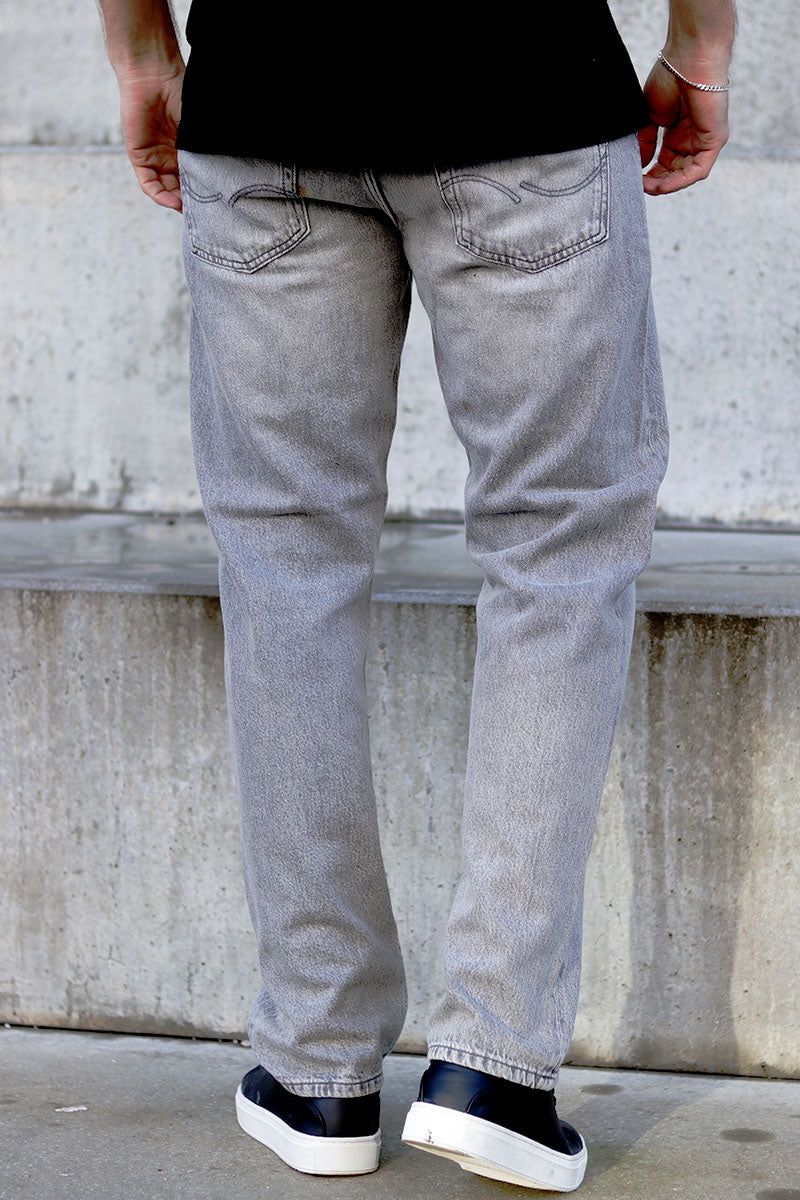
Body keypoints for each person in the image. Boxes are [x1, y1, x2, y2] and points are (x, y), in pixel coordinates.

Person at [97, 0, 735, 1190]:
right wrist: (698, 45)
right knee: (557, 552)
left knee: (286, 566)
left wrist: (143, 54)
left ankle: (315, 1068)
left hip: (266, 103)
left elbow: (144, 49)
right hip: (526, 94)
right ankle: (495, 1068)